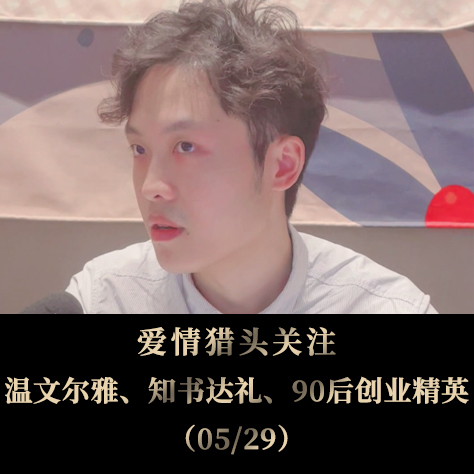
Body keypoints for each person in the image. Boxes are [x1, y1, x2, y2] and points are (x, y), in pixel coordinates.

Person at [65, 0, 438, 314]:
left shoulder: (383, 308)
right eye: (140, 149)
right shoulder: (104, 300)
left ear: (282, 164)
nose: (151, 187)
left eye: (186, 147)